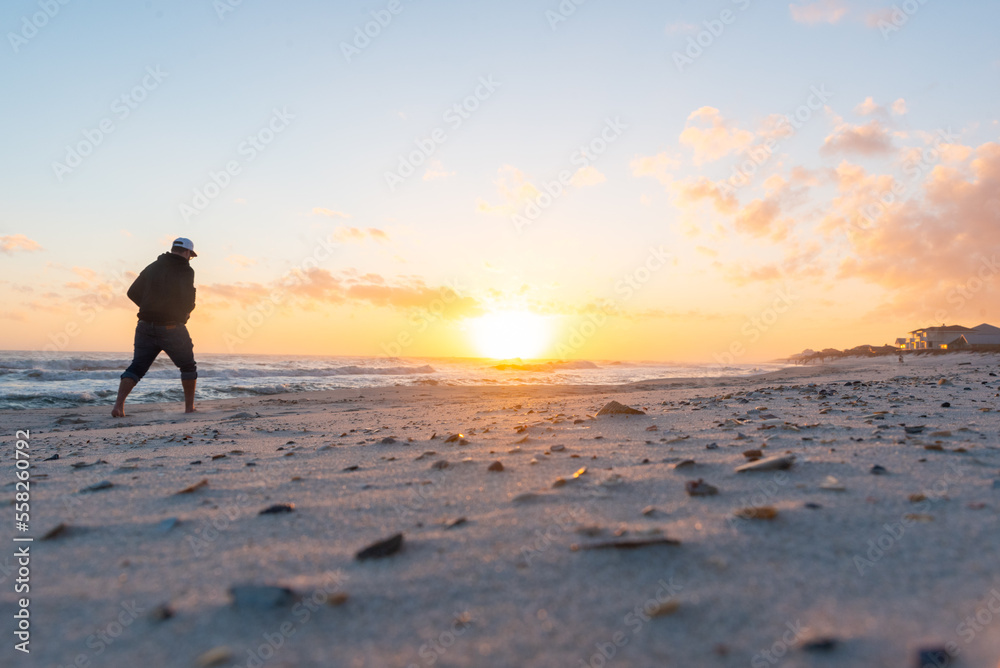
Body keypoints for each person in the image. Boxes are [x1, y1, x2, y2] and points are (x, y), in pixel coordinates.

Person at [112, 237, 199, 417]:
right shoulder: (186, 270)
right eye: (190, 255)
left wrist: (148, 308)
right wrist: (184, 313)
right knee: (188, 366)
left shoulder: (152, 266)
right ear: (187, 253)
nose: (189, 259)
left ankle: (118, 406)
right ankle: (189, 408)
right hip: (172, 327)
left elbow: (132, 292)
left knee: (136, 367)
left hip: (144, 326)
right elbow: (188, 298)